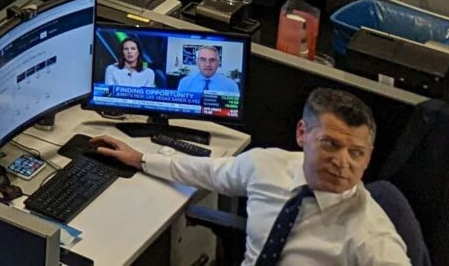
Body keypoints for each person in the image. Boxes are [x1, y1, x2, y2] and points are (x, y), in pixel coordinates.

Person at [91, 86, 413, 266]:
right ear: (303, 133)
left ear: (369, 156)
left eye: (356, 153)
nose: (343, 163)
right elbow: (209, 171)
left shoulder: (371, 237)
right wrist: (142, 158)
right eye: (330, 144)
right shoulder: (268, 165)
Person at [173, 43, 238, 97]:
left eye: (212, 60)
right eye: (203, 59)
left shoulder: (231, 85)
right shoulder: (185, 82)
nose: (207, 64)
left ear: (218, 63)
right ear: (197, 62)